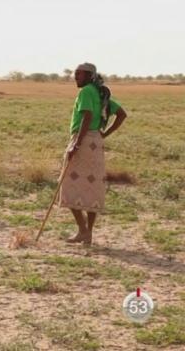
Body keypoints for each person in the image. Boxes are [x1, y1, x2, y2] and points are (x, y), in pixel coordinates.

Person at [60, 62, 127, 245]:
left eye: (79, 74)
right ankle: (87, 233)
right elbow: (122, 114)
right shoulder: (100, 93)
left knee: (67, 185)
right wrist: (103, 134)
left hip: (83, 141)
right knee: (91, 187)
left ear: (90, 76)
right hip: (96, 143)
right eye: (75, 74)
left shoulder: (86, 92)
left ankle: (82, 230)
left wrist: (76, 144)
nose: (76, 77)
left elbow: (87, 117)